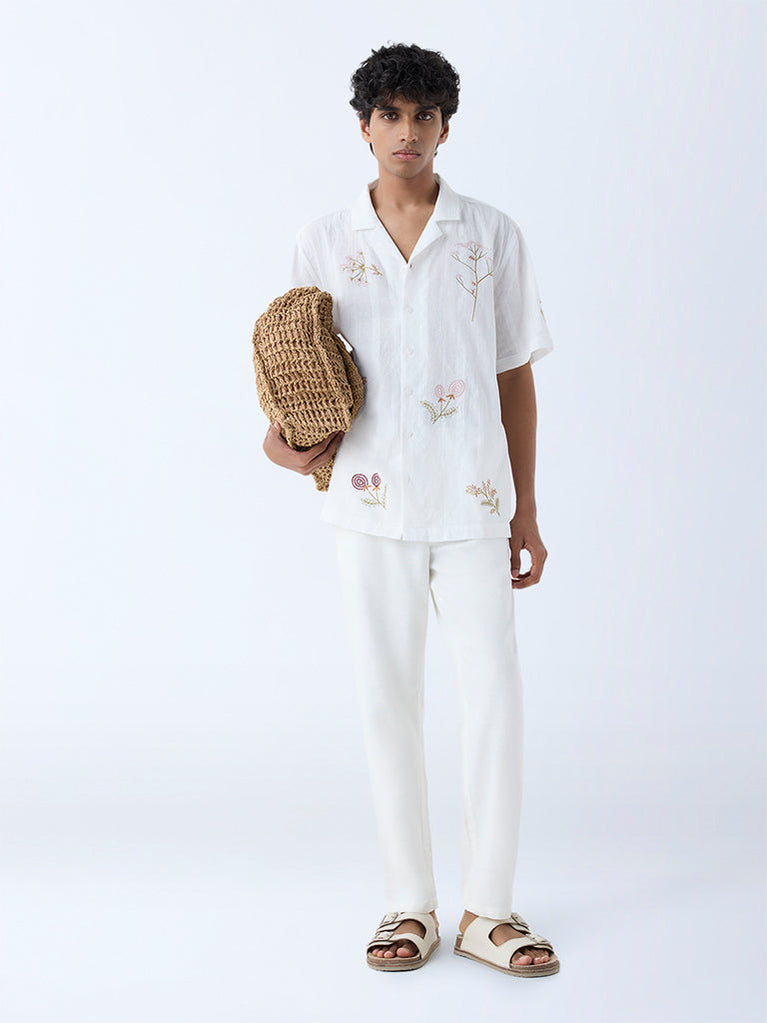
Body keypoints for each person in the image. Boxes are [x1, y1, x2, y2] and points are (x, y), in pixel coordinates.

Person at [262, 42, 559, 977]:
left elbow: (512, 374)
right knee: (386, 701)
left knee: (494, 697)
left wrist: (525, 509)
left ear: (444, 127)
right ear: (363, 127)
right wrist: (280, 443)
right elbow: (293, 363)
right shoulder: (323, 239)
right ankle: (409, 904)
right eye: (388, 114)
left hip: (473, 499)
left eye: (422, 115)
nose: (406, 131)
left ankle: (490, 911)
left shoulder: (491, 235)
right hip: (370, 503)